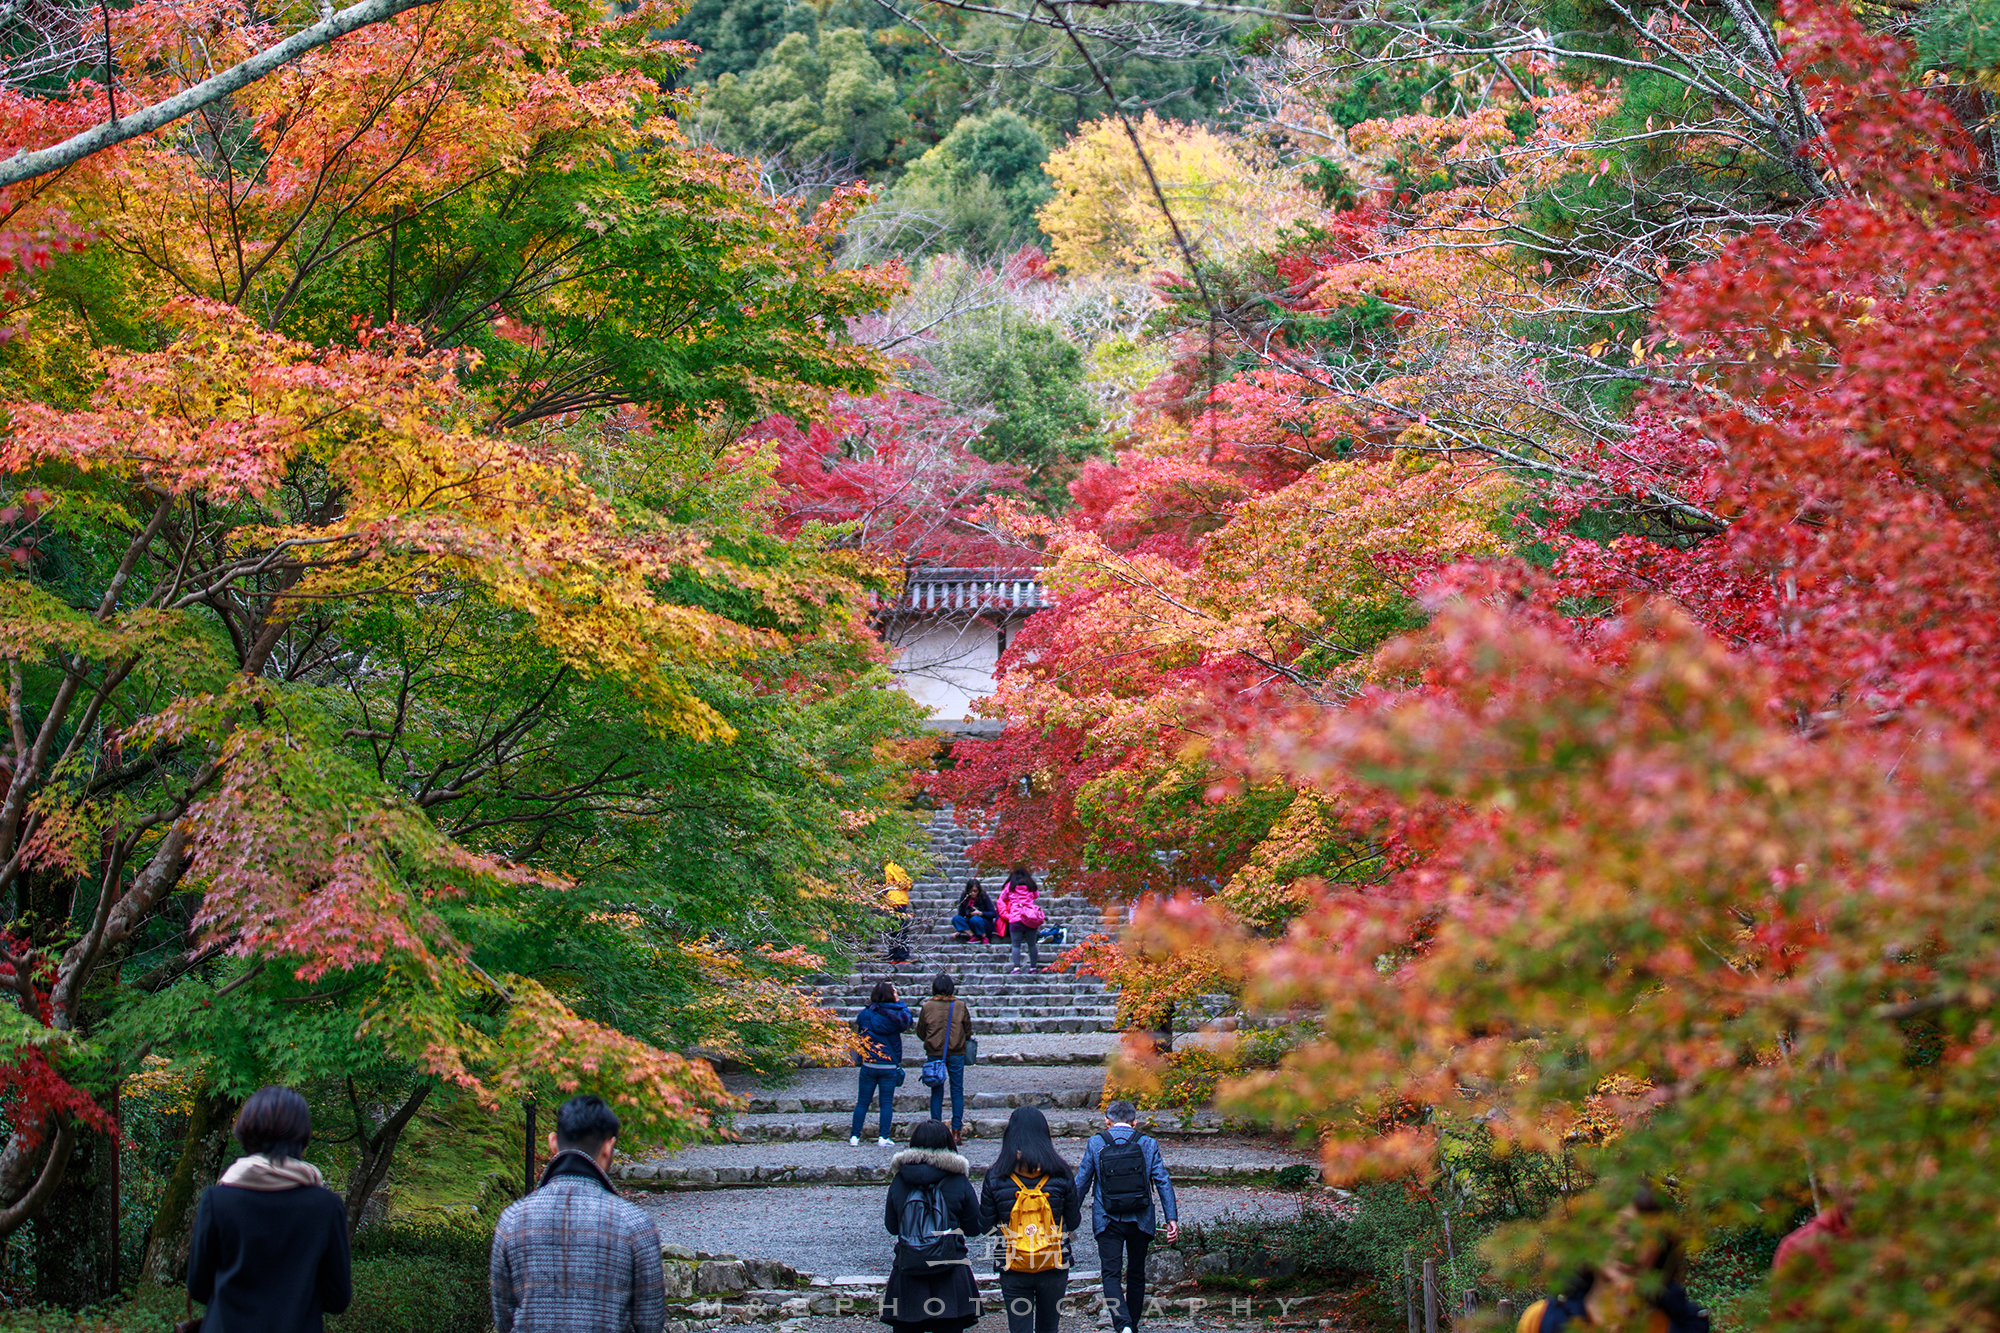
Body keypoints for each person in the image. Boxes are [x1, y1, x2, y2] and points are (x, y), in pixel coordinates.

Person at [490, 1094, 665, 1333]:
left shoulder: (512, 1220)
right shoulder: (635, 1224)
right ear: (608, 1146)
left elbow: (504, 1319)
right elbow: (650, 1323)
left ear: (553, 1143)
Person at [186, 1085, 352, 1333]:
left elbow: (198, 1287)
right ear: (301, 1135)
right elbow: (337, 1298)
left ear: (246, 1130)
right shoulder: (326, 1206)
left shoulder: (218, 1199)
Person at [1074, 1100, 1179, 1333]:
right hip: (1140, 1218)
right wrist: (1171, 1218)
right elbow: (1163, 1181)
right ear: (1135, 1121)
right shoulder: (1148, 1143)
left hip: (1107, 1218)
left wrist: (1068, 1217)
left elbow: (1081, 1181)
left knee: (1110, 1274)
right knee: (1136, 1273)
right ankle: (1132, 1324)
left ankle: (1122, 1326)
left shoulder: (1096, 1142)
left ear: (1107, 1121)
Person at [979, 1106, 1082, 1333]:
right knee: (1049, 1328)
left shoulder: (996, 1175)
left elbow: (985, 1225)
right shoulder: (1061, 1173)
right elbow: (1073, 1222)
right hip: (1053, 1262)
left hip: (1013, 1263)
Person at [880, 1120, 986, 1333]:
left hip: (908, 1272)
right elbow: (975, 1228)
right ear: (948, 1143)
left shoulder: (900, 1180)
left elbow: (892, 1227)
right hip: (951, 1274)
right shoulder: (958, 1180)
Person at [852, 979, 915, 1146]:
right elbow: (908, 1020)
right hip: (888, 1063)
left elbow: (860, 1023)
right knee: (886, 1102)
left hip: (869, 1062)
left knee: (862, 1101)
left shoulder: (866, 1014)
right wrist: (899, 1002)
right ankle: (883, 1136)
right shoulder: (897, 1015)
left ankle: (854, 1136)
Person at [917, 972, 974, 1139]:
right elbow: (968, 1030)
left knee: (936, 1089)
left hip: (935, 1052)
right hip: (956, 1052)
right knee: (957, 1089)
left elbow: (921, 1030)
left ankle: (936, 1129)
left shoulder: (927, 1006)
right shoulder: (960, 1006)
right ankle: (956, 1130)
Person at [994, 867, 1045, 974]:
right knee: (1032, 944)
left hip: (1016, 918)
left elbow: (1003, 898)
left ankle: (1017, 967)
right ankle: (1033, 968)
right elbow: (1036, 895)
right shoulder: (1031, 885)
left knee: (1016, 945)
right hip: (1030, 918)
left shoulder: (1010, 886)